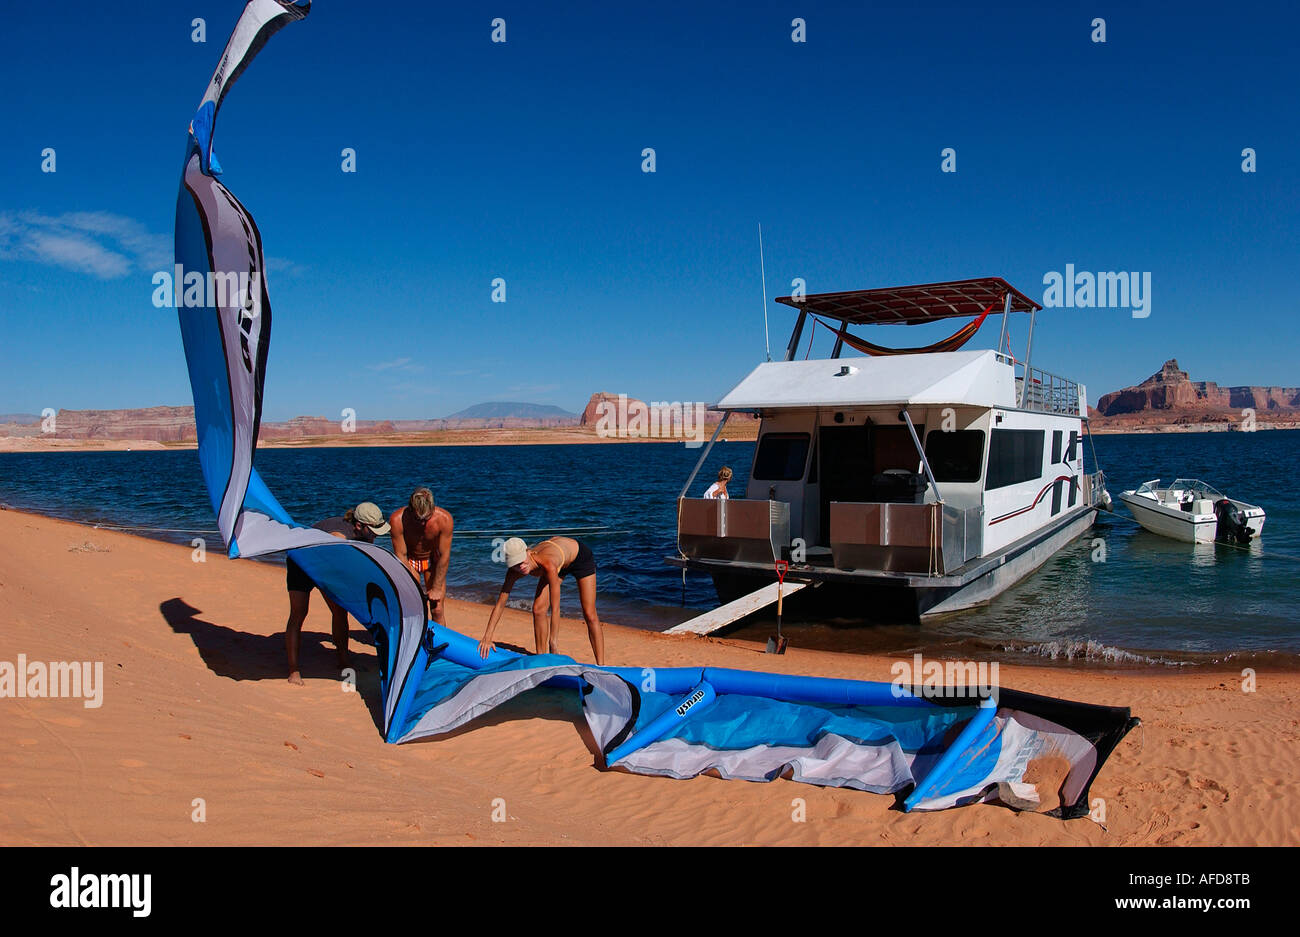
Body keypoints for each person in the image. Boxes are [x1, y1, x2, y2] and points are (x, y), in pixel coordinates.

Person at [284, 502, 390, 685]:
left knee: (341, 612)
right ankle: (293, 671)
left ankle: (344, 661)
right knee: (299, 613)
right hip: (301, 562)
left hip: (326, 566)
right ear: (359, 525)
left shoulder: (362, 535)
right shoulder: (339, 538)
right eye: (373, 531)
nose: (375, 536)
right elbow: (335, 570)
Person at [478, 536, 605, 665]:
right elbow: (500, 604)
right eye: (515, 564)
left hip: (578, 556)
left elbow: (555, 607)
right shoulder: (514, 572)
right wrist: (487, 637)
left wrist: (553, 641)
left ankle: (602, 665)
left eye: (522, 561)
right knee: (538, 609)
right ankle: (541, 657)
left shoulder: (547, 564)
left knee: (589, 613)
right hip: (556, 556)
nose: (520, 567)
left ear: (528, 552)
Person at [388, 487, 454, 624]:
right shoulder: (397, 519)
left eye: (426, 518)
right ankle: (416, 640)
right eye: (419, 519)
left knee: (437, 609)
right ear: (411, 509)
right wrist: (411, 587)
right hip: (410, 560)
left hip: (432, 561)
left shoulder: (445, 519)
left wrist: (436, 588)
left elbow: (444, 556)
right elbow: (401, 554)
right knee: (415, 606)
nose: (423, 523)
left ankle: (439, 643)